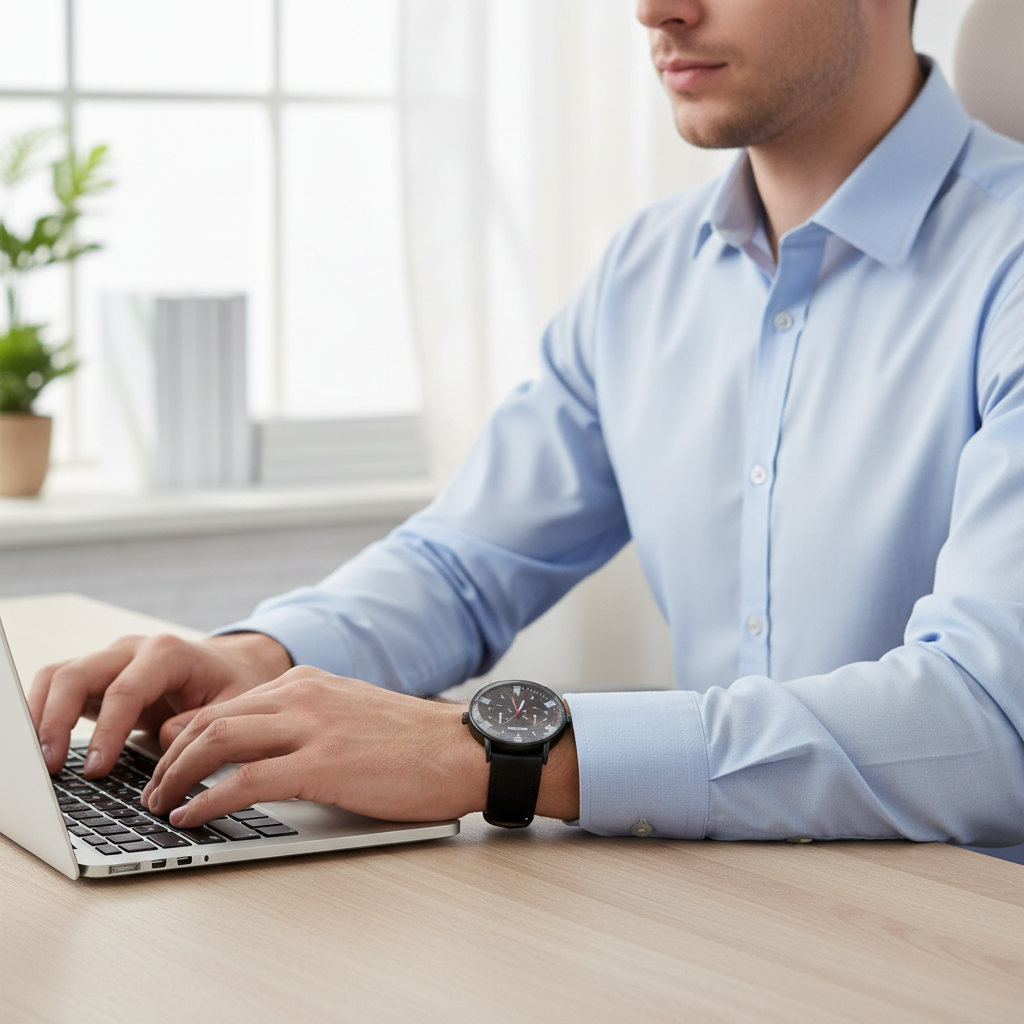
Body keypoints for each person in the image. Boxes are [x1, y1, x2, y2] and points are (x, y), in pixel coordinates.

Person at [30, 0, 1024, 845]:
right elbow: (464, 560)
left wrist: (499, 751)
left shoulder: (1007, 266)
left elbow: (988, 718)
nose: (653, 8)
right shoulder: (644, 272)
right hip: (731, 920)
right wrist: (263, 655)